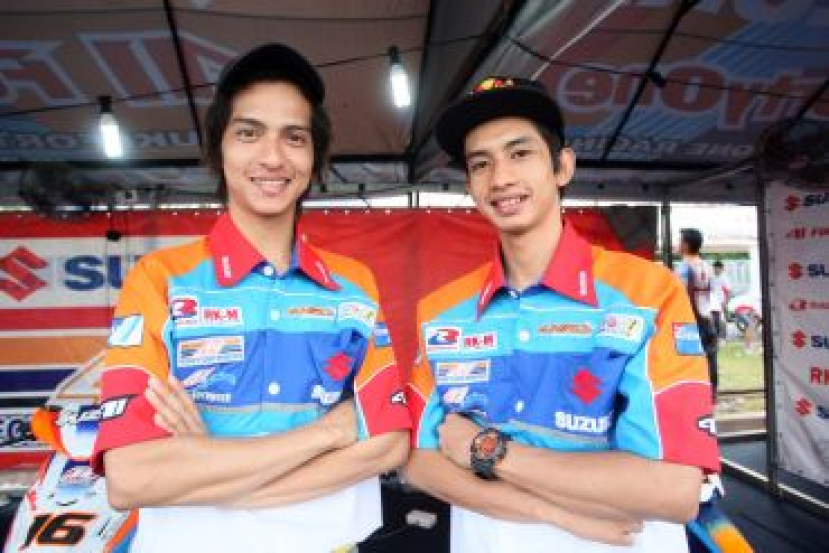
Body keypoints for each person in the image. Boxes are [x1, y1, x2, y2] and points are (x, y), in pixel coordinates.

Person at [91, 43, 410, 552]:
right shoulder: (160, 280)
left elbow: (388, 444)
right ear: (218, 149)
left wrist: (206, 469)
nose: (272, 157)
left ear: (314, 156)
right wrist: (327, 433)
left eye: (294, 137)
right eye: (248, 133)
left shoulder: (353, 285)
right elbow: (131, 477)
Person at [404, 76, 719, 552]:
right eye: (481, 164)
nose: (500, 178)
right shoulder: (441, 311)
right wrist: (554, 512)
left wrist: (486, 450)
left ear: (563, 167)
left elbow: (673, 490)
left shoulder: (648, 293)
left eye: (520, 153)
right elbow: (419, 463)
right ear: (469, 184)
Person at [676, 228, 719, 395]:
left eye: (680, 241)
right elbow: (715, 292)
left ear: (686, 245)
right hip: (708, 318)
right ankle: (711, 395)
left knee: (689, 362)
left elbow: (680, 295)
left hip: (690, 321)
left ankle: (694, 396)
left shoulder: (682, 268)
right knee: (710, 360)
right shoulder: (707, 266)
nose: (677, 244)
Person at [710, 260, 731, 343]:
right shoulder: (711, 277)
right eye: (715, 268)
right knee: (713, 320)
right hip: (712, 302)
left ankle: (723, 338)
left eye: (718, 268)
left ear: (722, 268)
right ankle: (715, 338)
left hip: (721, 302)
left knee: (722, 320)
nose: (716, 269)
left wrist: (725, 302)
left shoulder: (724, 278)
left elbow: (728, 292)